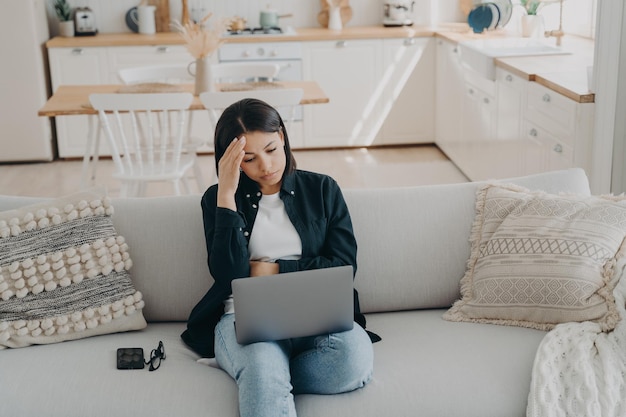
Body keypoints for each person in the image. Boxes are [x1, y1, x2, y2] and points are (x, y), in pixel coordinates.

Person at [181, 98, 379, 417]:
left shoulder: (323, 189)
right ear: (232, 162)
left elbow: (344, 266)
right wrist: (227, 196)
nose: (266, 165)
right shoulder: (216, 199)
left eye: (272, 149)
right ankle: (258, 370)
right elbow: (227, 273)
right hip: (243, 316)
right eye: (249, 158)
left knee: (352, 363)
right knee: (262, 368)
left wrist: (272, 269)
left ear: (283, 138)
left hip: (318, 310)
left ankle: (257, 374)